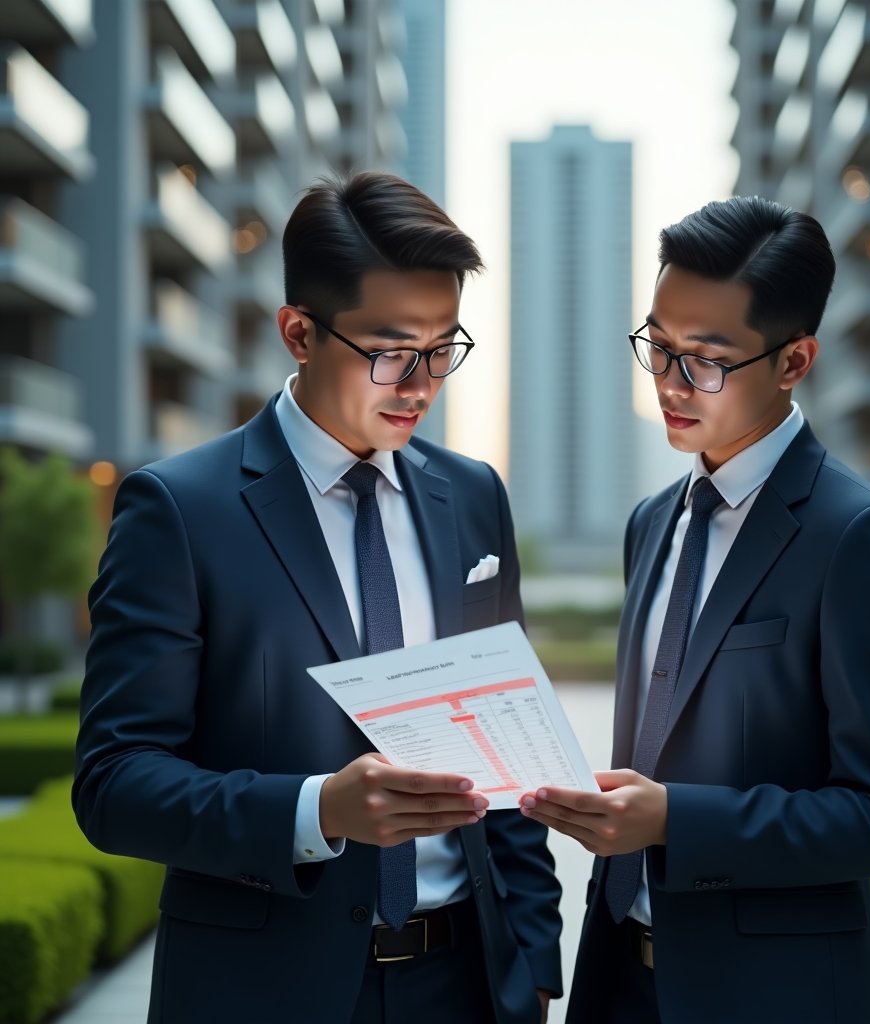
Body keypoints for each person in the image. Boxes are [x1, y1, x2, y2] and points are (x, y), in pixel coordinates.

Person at [73, 171, 561, 1024]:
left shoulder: (473, 496)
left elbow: (506, 743)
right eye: (389, 350)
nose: (419, 383)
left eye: (443, 348)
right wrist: (317, 810)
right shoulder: (181, 509)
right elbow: (115, 785)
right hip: (261, 990)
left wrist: (535, 958)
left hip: (467, 985)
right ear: (299, 333)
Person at [519, 195, 870, 1023]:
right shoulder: (653, 522)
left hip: (779, 996)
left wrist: (674, 820)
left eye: (705, 361)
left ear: (794, 361)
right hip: (621, 984)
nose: (669, 386)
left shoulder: (862, 538)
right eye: (658, 346)